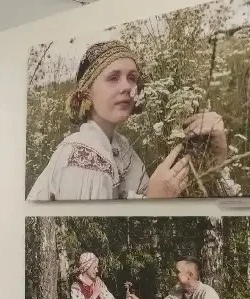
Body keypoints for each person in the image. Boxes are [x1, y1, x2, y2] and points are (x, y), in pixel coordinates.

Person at [28, 40, 237, 201]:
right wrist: (154, 202)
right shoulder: (84, 152)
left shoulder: (123, 150)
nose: (127, 87)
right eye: (113, 78)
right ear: (86, 92)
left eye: (132, 78)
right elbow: (93, 233)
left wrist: (216, 155)